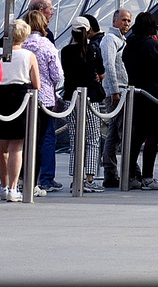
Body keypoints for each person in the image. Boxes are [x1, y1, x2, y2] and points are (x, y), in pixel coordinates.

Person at [122, 12, 158, 188]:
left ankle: (130, 175)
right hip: (154, 94)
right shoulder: (153, 45)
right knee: (153, 134)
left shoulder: (129, 46)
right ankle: (148, 176)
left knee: (136, 135)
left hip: (136, 93)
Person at [0, 18, 40, 202]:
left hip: (0, 97)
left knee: (1, 146)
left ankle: (3, 185)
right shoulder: (28, 56)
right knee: (16, 146)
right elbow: (37, 83)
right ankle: (13, 187)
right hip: (20, 97)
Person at [58, 15, 105, 193]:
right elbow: (101, 73)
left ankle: (75, 175)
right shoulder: (93, 49)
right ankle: (90, 177)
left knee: (74, 138)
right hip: (90, 98)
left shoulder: (65, 51)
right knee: (92, 138)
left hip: (71, 97)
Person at [19, 7, 63, 193]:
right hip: (43, 97)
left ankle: (18, 179)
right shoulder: (47, 45)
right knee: (41, 138)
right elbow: (57, 74)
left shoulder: (19, 45)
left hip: (20, 97)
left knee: (20, 139)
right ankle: (35, 181)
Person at [98, 8, 131, 188]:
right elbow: (108, 66)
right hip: (116, 92)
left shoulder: (119, 40)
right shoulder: (110, 40)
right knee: (120, 131)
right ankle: (119, 170)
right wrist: (114, 91)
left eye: (128, 21)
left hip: (119, 90)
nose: (126, 24)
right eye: (124, 20)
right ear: (114, 21)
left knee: (114, 132)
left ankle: (111, 171)